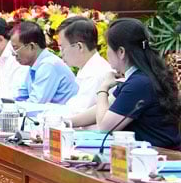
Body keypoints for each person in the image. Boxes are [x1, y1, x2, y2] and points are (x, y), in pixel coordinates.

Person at [72, 19, 180, 148]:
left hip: (159, 158)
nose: (106, 53)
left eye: (108, 47)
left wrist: (103, 89)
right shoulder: (140, 76)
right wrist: (66, 122)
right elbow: (106, 108)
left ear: (121, 52)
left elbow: (104, 128)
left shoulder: (139, 83)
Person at [56, 17, 114, 115]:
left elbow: (77, 114)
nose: (61, 54)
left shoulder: (96, 73)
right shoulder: (88, 68)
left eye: (62, 47)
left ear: (79, 46)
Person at [13, 21, 79, 104]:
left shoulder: (49, 65)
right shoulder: (33, 66)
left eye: (15, 48)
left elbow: (34, 105)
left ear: (31, 46)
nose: (13, 53)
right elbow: (20, 97)